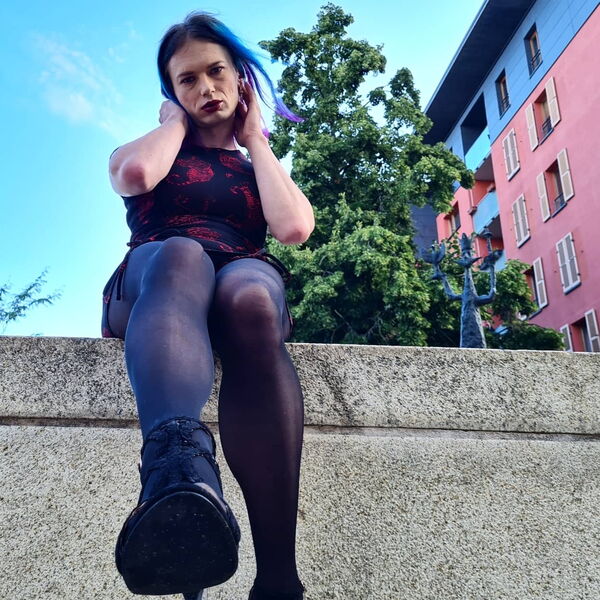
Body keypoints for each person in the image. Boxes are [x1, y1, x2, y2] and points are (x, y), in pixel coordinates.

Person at [101, 12, 314, 600]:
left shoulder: (253, 164)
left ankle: (277, 578)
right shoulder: (149, 149)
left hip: (240, 268)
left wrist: (256, 140)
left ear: (240, 77)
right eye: (187, 80)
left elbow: (294, 228)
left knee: (252, 297)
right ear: (171, 93)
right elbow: (136, 174)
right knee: (184, 253)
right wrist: (173, 122)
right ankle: (177, 476)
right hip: (158, 277)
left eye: (217, 72)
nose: (206, 88)